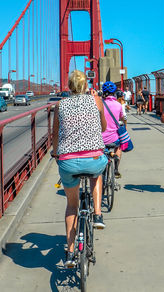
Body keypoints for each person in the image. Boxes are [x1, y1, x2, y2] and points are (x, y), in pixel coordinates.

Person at [52, 70, 108, 268]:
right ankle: (98, 214)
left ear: (69, 86)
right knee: (97, 174)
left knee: (71, 206)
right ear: (85, 86)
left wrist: (54, 153)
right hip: (93, 157)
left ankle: (69, 252)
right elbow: (103, 128)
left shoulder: (61, 104)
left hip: (67, 162)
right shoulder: (95, 101)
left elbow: (56, 133)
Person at [101, 81, 126, 178]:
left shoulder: (100, 105)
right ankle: (116, 168)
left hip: (101, 138)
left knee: (101, 150)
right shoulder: (118, 105)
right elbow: (121, 117)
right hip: (113, 138)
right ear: (114, 92)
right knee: (119, 147)